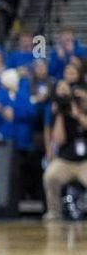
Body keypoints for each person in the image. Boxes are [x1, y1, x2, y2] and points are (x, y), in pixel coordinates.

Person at [44, 82, 87, 221]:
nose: (79, 101)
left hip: (84, 162)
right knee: (50, 176)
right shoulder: (64, 113)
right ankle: (54, 212)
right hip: (66, 161)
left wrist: (79, 115)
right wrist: (61, 114)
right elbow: (58, 140)